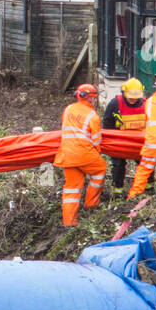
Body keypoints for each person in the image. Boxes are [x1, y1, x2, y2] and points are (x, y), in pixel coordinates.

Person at [53, 84, 105, 227]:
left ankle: (69, 223)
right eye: (94, 98)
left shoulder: (68, 109)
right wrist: (97, 153)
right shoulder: (92, 115)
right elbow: (96, 141)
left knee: (72, 188)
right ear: (91, 98)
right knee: (100, 169)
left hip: (66, 154)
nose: (95, 101)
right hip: (84, 154)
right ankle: (91, 204)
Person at [101, 77, 147, 196]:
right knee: (118, 165)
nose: (132, 100)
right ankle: (117, 191)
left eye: (135, 97)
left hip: (139, 143)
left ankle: (148, 188)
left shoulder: (146, 105)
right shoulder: (114, 104)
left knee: (146, 164)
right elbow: (106, 125)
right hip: (119, 143)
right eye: (130, 97)